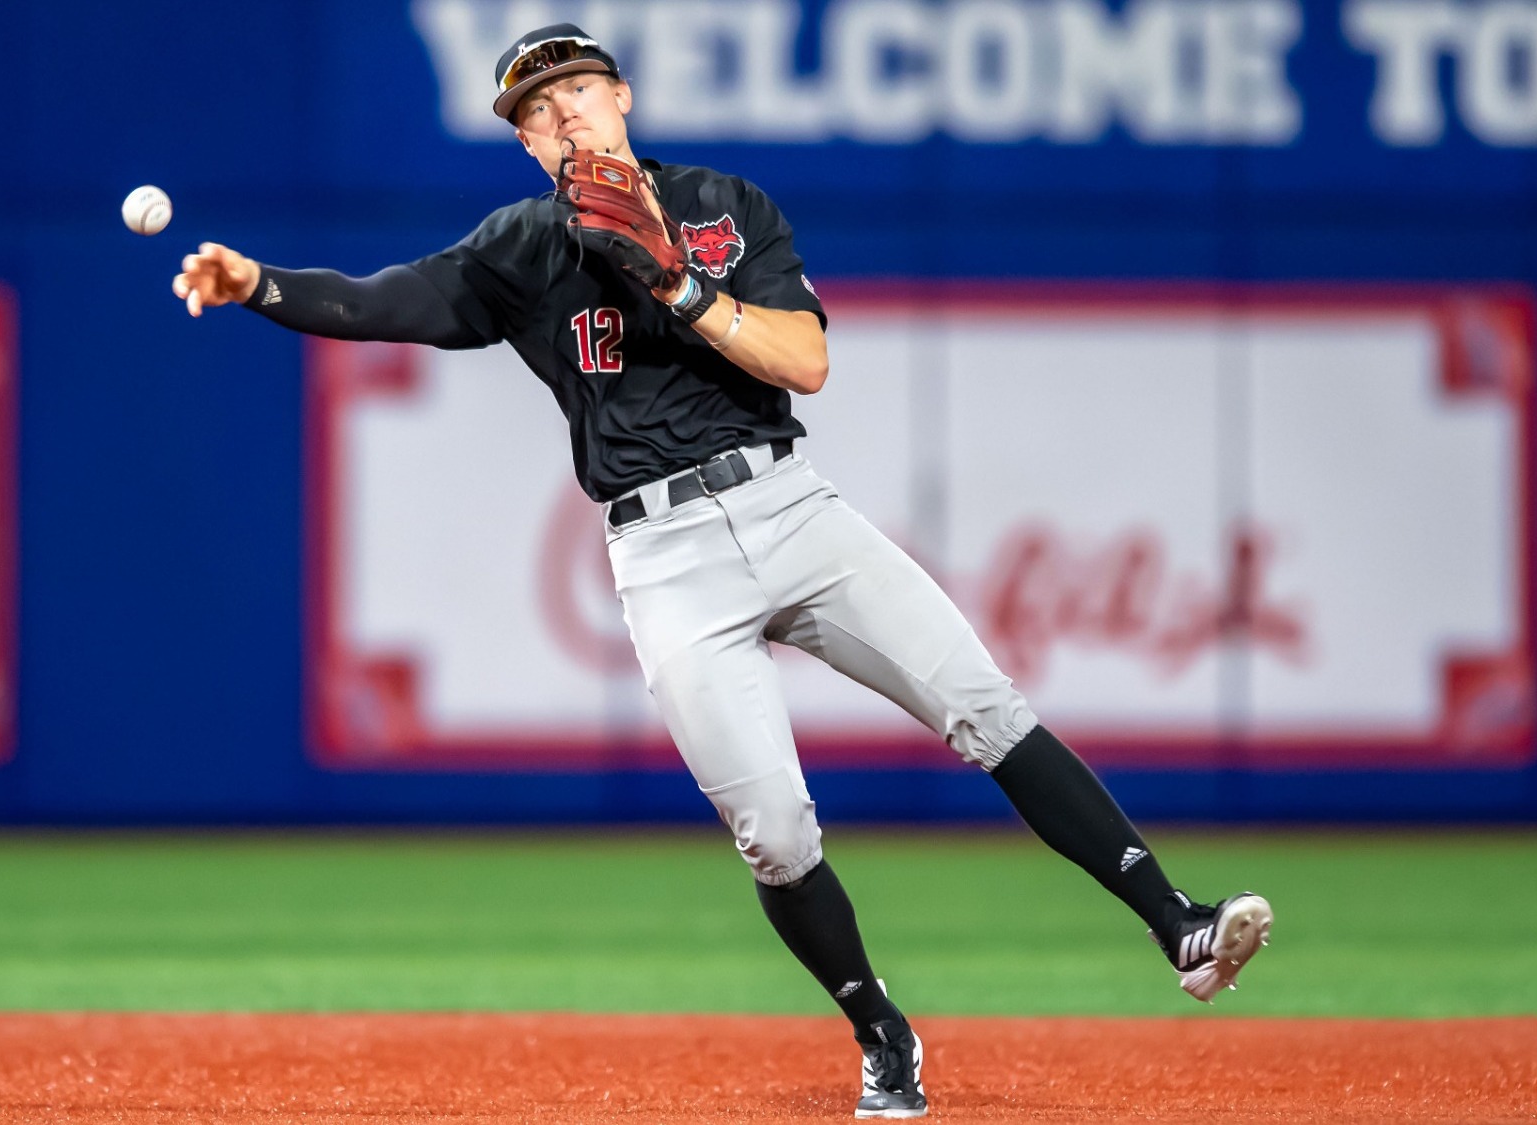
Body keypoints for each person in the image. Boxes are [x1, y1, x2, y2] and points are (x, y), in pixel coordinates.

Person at [172, 24, 1272, 1120]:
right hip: (660, 556)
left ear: (624, 99)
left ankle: (1174, 922)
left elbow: (806, 361)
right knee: (775, 835)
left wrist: (680, 286)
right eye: (534, 116)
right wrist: (259, 282)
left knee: (984, 705)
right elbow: (380, 303)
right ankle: (880, 1034)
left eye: (577, 96)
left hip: (786, 504)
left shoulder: (720, 206)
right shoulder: (519, 247)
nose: (561, 121)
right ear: (522, 146)